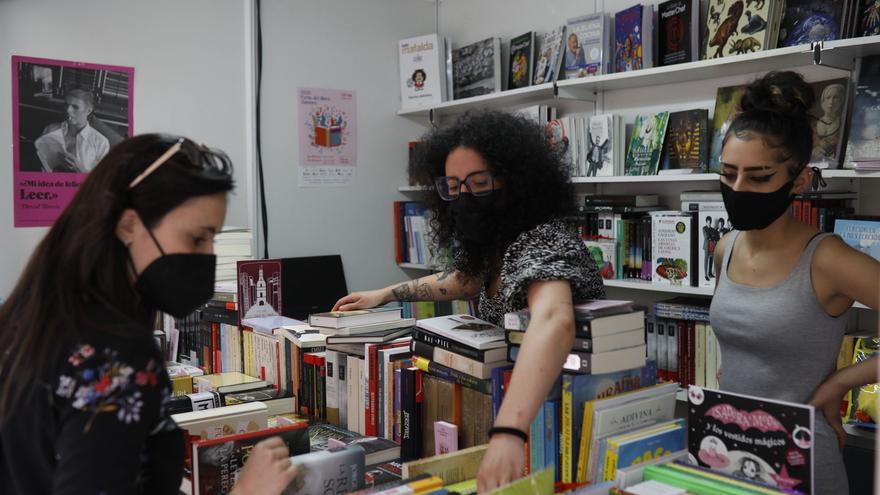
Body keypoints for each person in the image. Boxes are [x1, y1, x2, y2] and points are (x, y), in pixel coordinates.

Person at [0, 134, 298, 494]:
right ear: (128, 226)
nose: (208, 256)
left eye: (213, 239)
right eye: (196, 239)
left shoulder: (28, 317)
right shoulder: (118, 356)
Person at [332, 110, 605, 492]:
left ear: (515, 181)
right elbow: (462, 280)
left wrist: (508, 431)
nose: (464, 197)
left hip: (555, 424)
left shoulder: (541, 239)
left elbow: (553, 320)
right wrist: (384, 294)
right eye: (453, 186)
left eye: (478, 183)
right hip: (519, 412)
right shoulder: (493, 243)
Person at [711, 71, 879, 494]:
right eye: (728, 174)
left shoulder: (828, 260)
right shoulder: (725, 247)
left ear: (799, 180)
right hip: (728, 450)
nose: (739, 188)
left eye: (760, 177)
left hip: (801, 459)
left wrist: (838, 385)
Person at [34, 88, 111, 173]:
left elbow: (101, 181)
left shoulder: (101, 142)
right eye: (66, 105)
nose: (68, 110)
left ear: (88, 111)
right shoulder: (50, 129)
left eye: (75, 107)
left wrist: (79, 168)